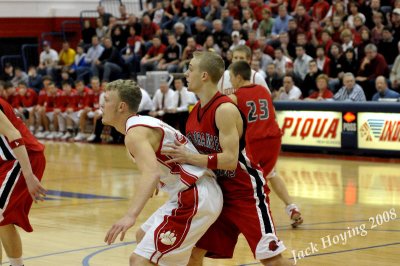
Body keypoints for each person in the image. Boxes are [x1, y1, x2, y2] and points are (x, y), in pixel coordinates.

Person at [162, 51, 290, 265]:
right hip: (217, 194)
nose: (186, 73)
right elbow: (189, 156)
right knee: (193, 254)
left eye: (191, 68)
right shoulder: (194, 113)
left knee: (272, 260)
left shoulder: (225, 109)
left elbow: (230, 160)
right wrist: (163, 176)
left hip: (245, 193)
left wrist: (191, 158)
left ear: (204, 75)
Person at [101, 79, 223, 266]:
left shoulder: (135, 134)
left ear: (121, 106)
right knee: (143, 237)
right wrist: (159, 180)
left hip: (195, 195)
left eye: (107, 99)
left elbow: (151, 174)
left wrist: (130, 215)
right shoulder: (141, 124)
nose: (102, 104)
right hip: (190, 193)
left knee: (139, 260)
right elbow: (157, 166)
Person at [0, 98, 47, 266]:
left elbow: (14, 134)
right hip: (7, 160)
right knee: (2, 221)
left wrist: (28, 175)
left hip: (23, 157)